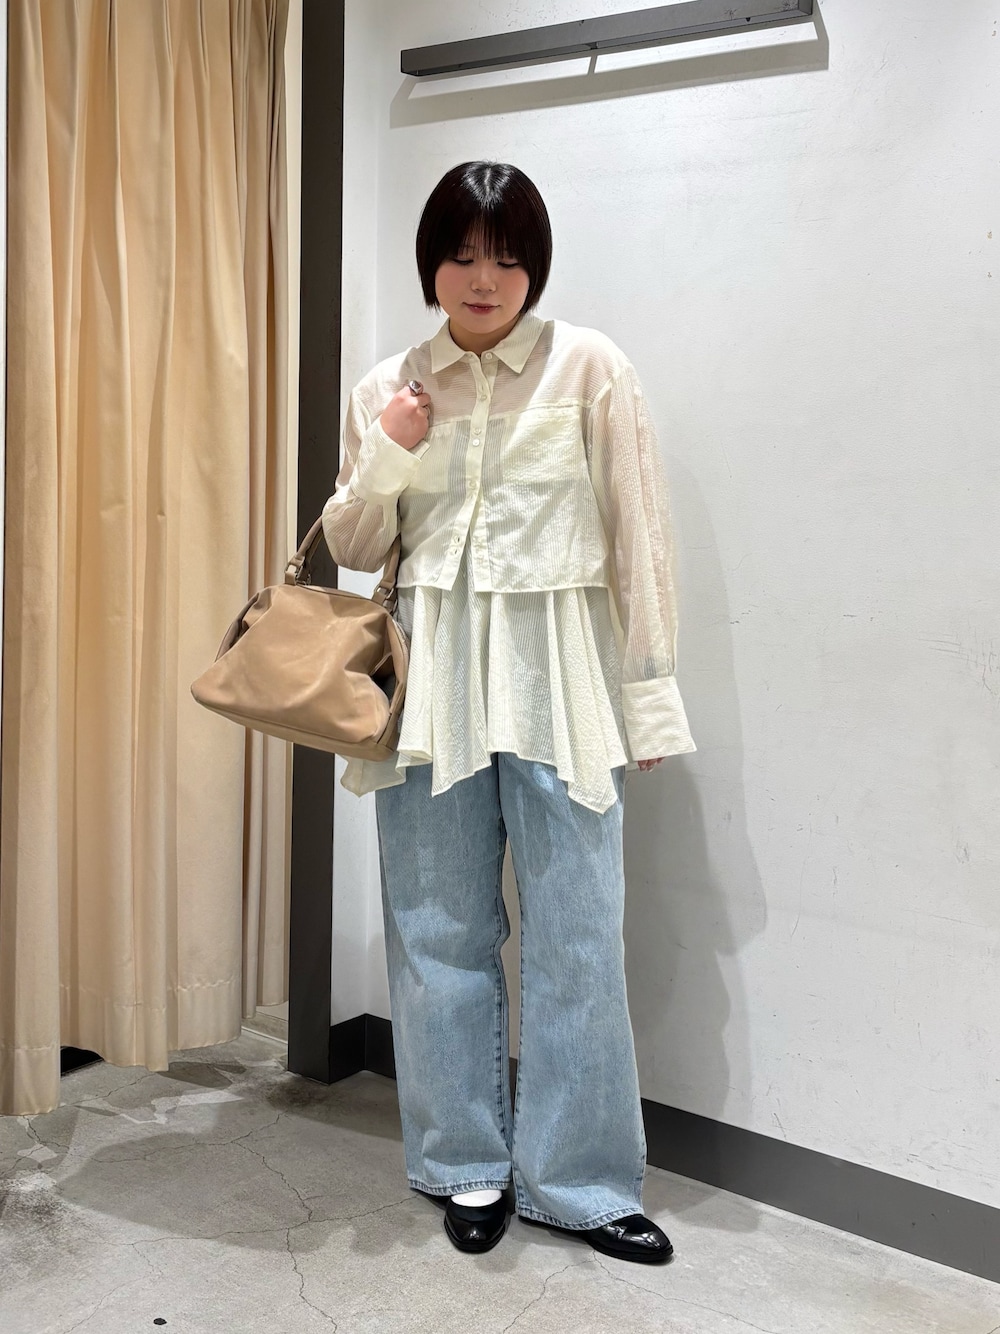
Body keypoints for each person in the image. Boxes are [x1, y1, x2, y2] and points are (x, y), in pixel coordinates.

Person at [322, 161, 696, 1262]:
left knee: (578, 931)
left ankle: (579, 1181)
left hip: (560, 681)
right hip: (431, 685)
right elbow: (351, 545)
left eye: (506, 257)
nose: (482, 279)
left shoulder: (590, 367)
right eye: (461, 255)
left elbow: (639, 533)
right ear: (431, 264)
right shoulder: (388, 383)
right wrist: (391, 443)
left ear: (534, 265)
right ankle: (464, 1163)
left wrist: (648, 695)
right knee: (438, 932)